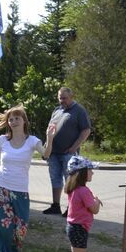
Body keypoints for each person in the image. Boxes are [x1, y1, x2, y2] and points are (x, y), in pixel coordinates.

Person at [0, 106, 56, 252]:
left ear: (24, 121)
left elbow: (46, 154)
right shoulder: (2, 140)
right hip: (0, 187)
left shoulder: (32, 141)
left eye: (17, 118)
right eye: (11, 119)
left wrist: (49, 138)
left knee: (19, 228)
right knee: (0, 226)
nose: (13, 121)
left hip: (20, 191)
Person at [54, 156, 101, 252]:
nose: (92, 173)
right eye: (90, 170)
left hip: (76, 228)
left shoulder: (75, 189)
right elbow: (94, 210)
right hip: (78, 229)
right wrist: (97, 202)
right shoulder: (84, 191)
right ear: (82, 173)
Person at [43, 87, 92, 216]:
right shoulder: (57, 110)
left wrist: (74, 147)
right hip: (53, 153)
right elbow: (50, 129)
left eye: (64, 98)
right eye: (60, 98)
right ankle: (55, 205)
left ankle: (71, 208)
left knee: (70, 180)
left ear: (71, 97)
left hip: (68, 153)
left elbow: (86, 130)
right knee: (55, 179)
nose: (62, 101)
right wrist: (46, 146)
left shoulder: (79, 111)